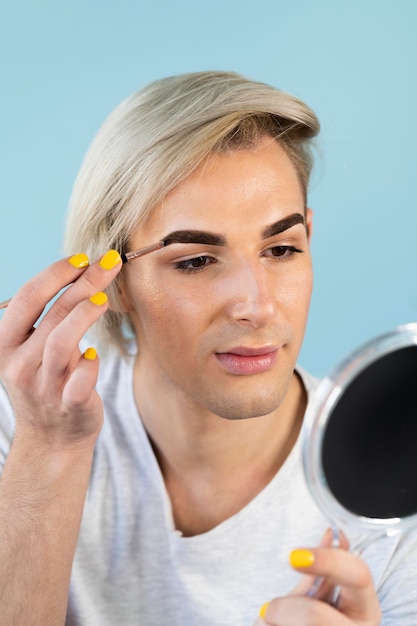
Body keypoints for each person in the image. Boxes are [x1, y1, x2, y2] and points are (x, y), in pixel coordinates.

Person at [0, 70, 415, 626]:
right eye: (196, 260)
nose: (257, 305)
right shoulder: (20, 431)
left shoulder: (395, 514)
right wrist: (49, 452)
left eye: (282, 249)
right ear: (112, 280)